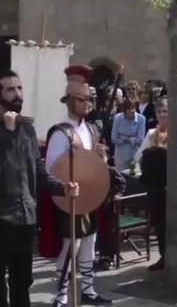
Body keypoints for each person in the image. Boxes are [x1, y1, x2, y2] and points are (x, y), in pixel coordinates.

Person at [0, 70, 78, 307]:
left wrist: (63, 188)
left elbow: (38, 172)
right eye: (10, 89)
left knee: (22, 281)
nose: (17, 94)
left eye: (19, 88)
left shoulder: (27, 128)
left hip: (25, 217)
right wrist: (9, 135)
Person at [46, 81, 118, 306]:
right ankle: (61, 296)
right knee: (70, 247)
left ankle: (88, 290)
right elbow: (51, 169)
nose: (87, 103)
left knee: (89, 243)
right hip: (71, 197)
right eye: (81, 98)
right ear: (68, 101)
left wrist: (101, 157)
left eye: (90, 99)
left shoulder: (91, 130)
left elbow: (96, 166)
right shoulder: (60, 133)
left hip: (90, 195)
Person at [134, 98, 170, 271]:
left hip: (170, 184)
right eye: (159, 112)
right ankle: (164, 256)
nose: (162, 115)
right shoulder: (151, 133)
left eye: (165, 111)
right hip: (154, 184)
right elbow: (139, 155)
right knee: (159, 222)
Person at [110, 99, 146, 171]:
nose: (131, 111)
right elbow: (113, 138)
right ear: (124, 111)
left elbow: (140, 140)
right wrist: (131, 139)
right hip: (120, 156)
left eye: (133, 108)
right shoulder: (117, 118)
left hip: (135, 155)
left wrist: (124, 138)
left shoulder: (141, 119)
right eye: (128, 109)